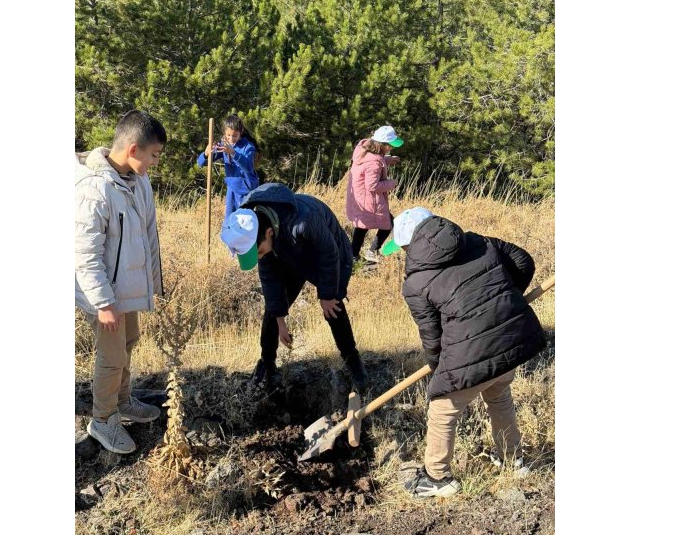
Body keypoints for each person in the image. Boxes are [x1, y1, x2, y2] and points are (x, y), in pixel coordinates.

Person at [383, 207, 548, 498]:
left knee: (442, 409)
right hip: (512, 337)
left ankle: (438, 478)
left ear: (411, 243)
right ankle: (514, 460)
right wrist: (503, 302)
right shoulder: (478, 241)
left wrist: (440, 370)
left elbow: (432, 337)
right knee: (498, 394)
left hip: (472, 349)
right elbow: (523, 261)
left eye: (404, 247)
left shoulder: (416, 283)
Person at [219, 182, 368, 395]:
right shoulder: (260, 236)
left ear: (269, 232)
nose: (259, 256)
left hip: (328, 254)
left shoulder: (304, 221)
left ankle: (353, 362)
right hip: (287, 253)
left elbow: (329, 254)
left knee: (333, 307)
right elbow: (271, 282)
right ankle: (267, 364)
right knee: (272, 309)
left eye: (259, 252)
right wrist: (280, 319)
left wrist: (326, 295)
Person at [75, 110, 168, 454]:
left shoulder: (138, 180)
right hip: (103, 297)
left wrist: (150, 285)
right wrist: (103, 303)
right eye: (154, 155)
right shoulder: (94, 189)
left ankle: (124, 400)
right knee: (111, 357)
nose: (156, 162)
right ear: (133, 150)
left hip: (126, 289)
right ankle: (103, 420)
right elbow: (84, 254)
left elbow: (146, 236)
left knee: (130, 340)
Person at [345, 125, 403, 264]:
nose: (392, 148)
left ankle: (353, 255)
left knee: (361, 226)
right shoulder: (374, 162)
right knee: (388, 223)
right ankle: (372, 251)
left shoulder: (363, 150)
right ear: (382, 145)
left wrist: (386, 160)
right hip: (368, 199)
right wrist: (391, 183)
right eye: (390, 145)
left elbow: (370, 163)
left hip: (359, 196)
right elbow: (372, 185)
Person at [197, 114, 261, 217]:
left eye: (235, 136)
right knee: (230, 222)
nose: (231, 139)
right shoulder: (223, 144)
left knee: (245, 222)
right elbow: (201, 162)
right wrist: (206, 153)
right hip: (232, 189)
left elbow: (248, 167)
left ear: (241, 132)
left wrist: (233, 153)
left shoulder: (248, 147)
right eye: (228, 135)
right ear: (224, 133)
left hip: (246, 191)